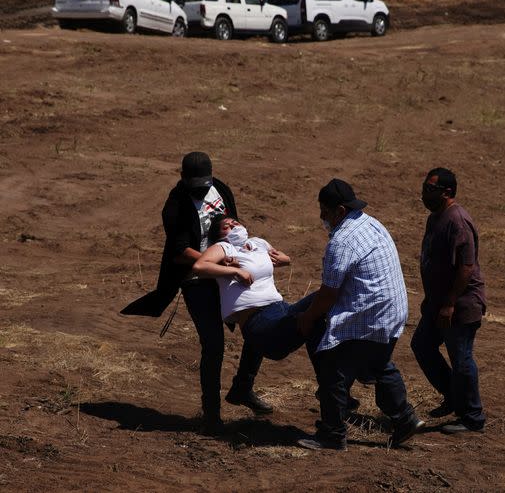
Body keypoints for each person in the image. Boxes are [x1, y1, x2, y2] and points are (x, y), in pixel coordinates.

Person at [121, 152, 270, 434]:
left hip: (227, 272)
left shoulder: (221, 188)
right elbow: (178, 252)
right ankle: (211, 414)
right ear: (183, 178)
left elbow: (233, 225)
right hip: (197, 280)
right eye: (196, 185)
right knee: (213, 344)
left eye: (206, 183)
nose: (202, 189)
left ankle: (242, 387)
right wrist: (212, 260)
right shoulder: (176, 204)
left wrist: (248, 251)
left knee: (259, 326)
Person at [296, 179, 424, 450]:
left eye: (325, 212)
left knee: (331, 365)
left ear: (340, 211)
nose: (321, 218)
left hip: (368, 314)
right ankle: (404, 419)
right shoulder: (371, 224)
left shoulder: (341, 242)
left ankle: (332, 434)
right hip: (392, 310)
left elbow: (329, 293)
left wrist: (307, 318)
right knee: (378, 363)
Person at [411, 168, 486, 435]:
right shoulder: (436, 218)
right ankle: (453, 396)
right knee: (422, 345)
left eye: (430, 189)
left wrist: (450, 303)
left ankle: (473, 416)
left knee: (462, 358)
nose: (424, 193)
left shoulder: (458, 221)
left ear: (448, 193)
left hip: (460, 304)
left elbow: (467, 267)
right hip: (438, 303)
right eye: (424, 187)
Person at [192, 215, 313, 362]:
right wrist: (236, 271)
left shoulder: (258, 243)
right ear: (220, 236)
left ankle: (330, 383)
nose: (233, 226)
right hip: (258, 320)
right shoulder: (225, 248)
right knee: (312, 314)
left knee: (321, 305)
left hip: (281, 308)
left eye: (235, 222)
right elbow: (200, 266)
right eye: (227, 227)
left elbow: (280, 256)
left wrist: (286, 260)